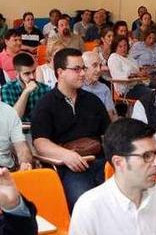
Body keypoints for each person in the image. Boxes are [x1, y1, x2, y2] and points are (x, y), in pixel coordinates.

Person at [31, 48, 110, 209]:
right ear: (60, 72)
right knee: (85, 207)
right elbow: (40, 142)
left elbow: (108, 133)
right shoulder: (45, 104)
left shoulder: (92, 101)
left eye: (83, 68)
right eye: (76, 69)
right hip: (69, 167)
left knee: (118, 201)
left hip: (100, 162)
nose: (82, 73)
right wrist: (66, 155)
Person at [0, 53, 51, 119]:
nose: (32, 77)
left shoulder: (45, 88)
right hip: (18, 128)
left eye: (34, 71)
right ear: (17, 73)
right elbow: (13, 118)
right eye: (27, 73)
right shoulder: (7, 89)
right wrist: (26, 92)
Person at [81, 51, 116, 121]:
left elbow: (112, 114)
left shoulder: (104, 89)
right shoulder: (76, 88)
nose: (99, 70)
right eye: (95, 66)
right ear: (84, 68)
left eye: (100, 66)